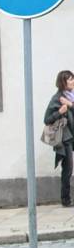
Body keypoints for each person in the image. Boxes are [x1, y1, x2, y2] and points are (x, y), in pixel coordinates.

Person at [44, 70, 74, 206]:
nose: (73, 81)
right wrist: (59, 112)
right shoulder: (57, 98)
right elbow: (47, 119)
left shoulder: (71, 97)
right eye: (70, 79)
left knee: (68, 168)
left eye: (73, 78)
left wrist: (70, 104)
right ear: (63, 82)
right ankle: (65, 200)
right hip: (66, 138)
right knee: (68, 169)